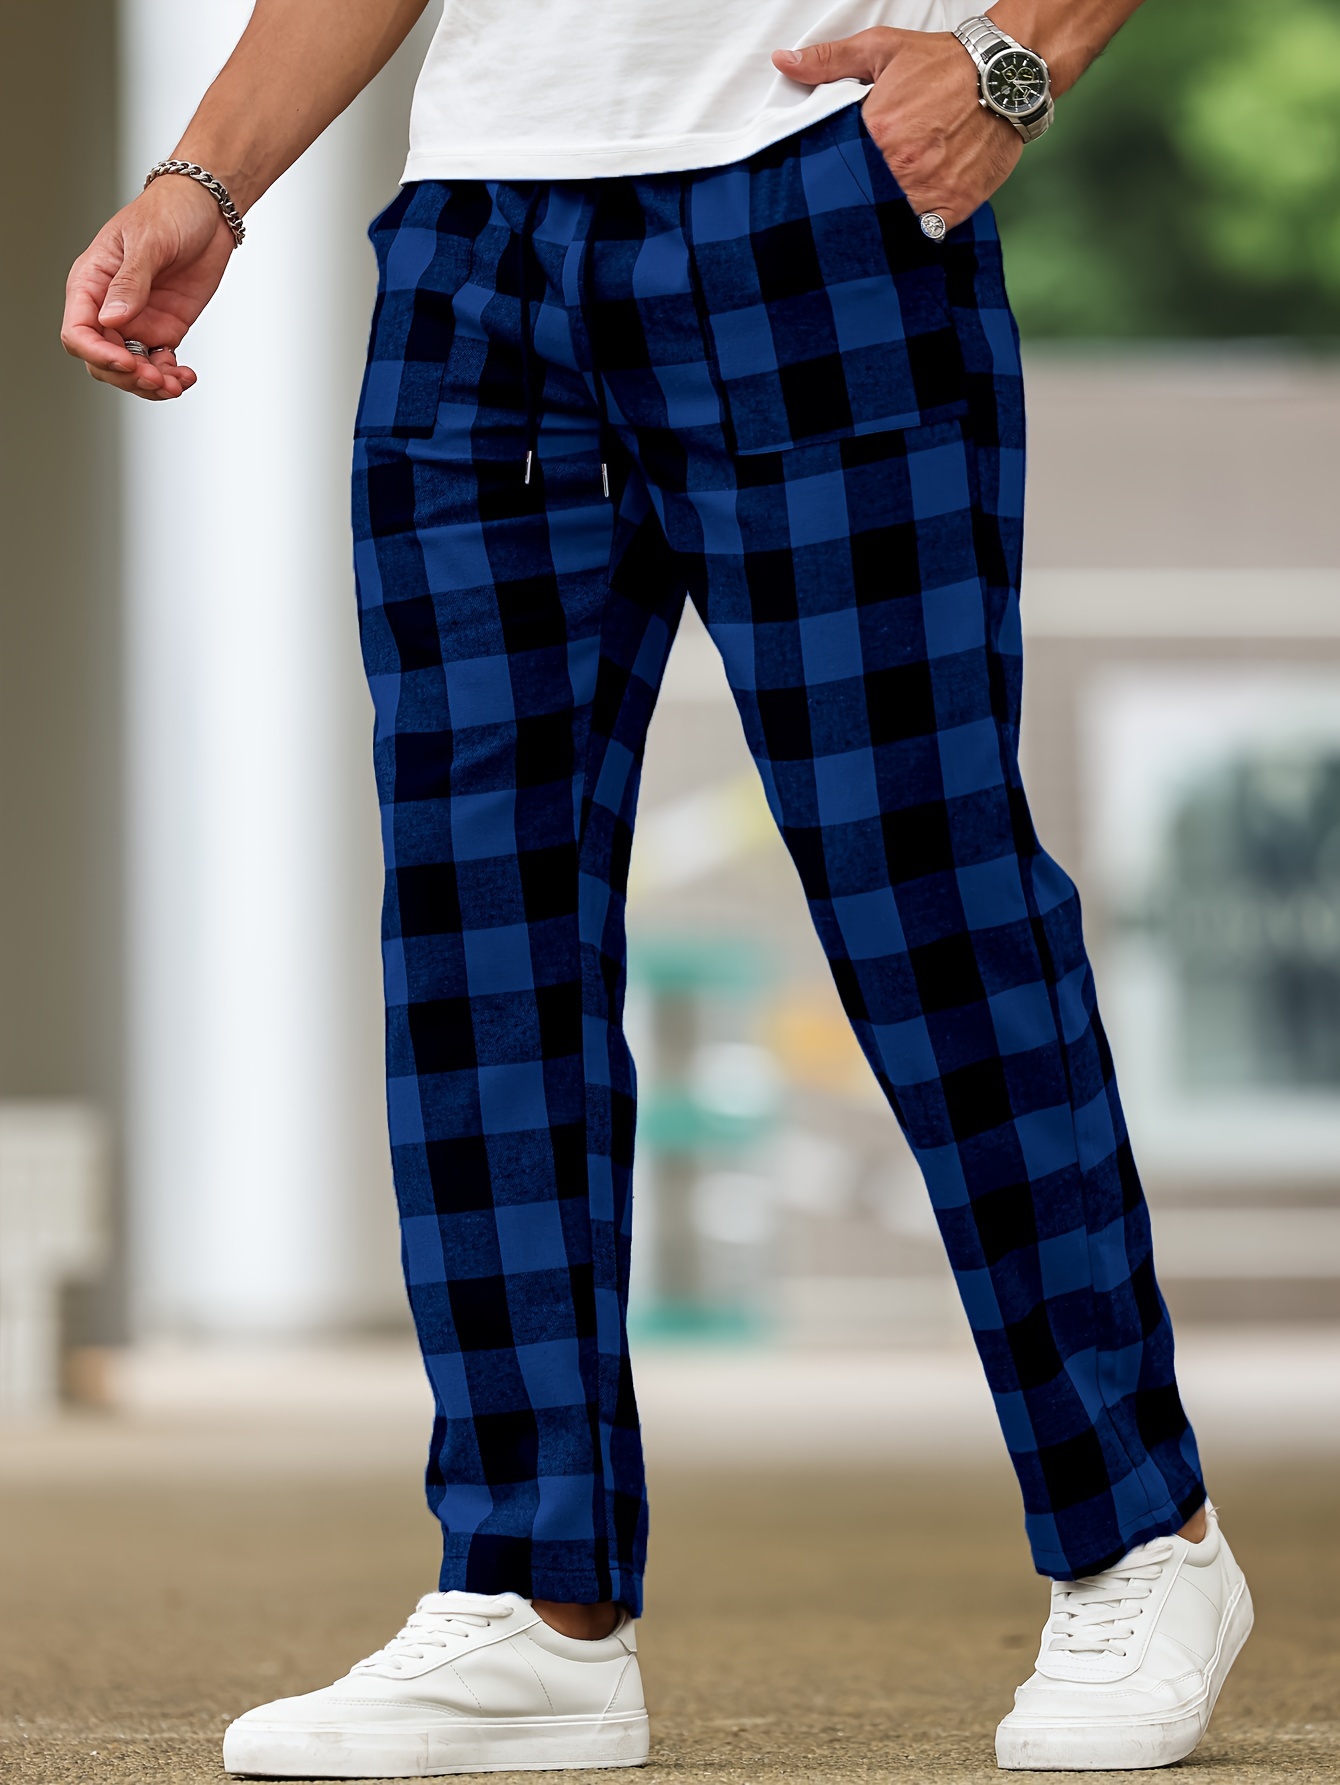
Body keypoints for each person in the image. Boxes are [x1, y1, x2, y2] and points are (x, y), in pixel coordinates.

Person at [62, 0, 1253, 1773]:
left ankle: (1140, 1537)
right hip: (478, 243)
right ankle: (529, 1594)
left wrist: (1017, 63)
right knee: (482, 930)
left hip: (812, 202)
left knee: (925, 894)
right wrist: (206, 179)